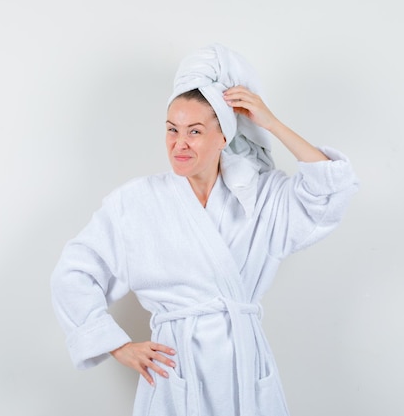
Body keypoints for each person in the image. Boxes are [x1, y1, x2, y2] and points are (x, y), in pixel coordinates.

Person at [50, 44, 358, 416]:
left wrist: (272, 123)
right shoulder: (134, 203)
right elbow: (74, 273)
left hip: (246, 367)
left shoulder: (261, 197)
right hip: (176, 371)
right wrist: (116, 345)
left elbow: (329, 187)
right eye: (172, 130)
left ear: (224, 136)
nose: (179, 143)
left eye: (194, 131)